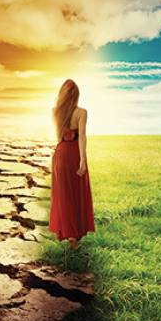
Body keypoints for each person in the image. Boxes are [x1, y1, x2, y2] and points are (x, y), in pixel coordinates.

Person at [49, 79, 95, 250]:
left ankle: (69, 234)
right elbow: (82, 136)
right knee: (77, 192)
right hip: (75, 152)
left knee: (63, 195)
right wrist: (82, 159)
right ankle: (75, 233)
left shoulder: (55, 112)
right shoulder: (82, 112)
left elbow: (58, 135)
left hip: (60, 152)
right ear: (76, 96)